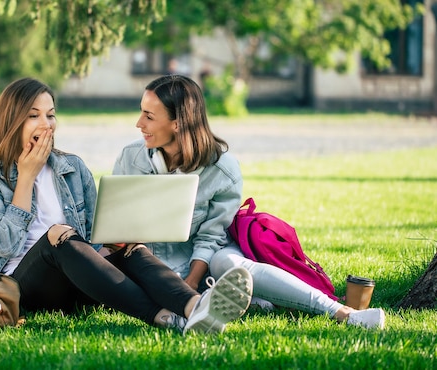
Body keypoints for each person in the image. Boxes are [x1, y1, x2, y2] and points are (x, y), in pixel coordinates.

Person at [0, 77, 254, 335]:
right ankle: (166, 318)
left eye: (50, 115)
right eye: (34, 115)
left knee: (130, 246)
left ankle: (194, 307)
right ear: (11, 121)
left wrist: (114, 243)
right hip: (17, 288)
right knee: (58, 236)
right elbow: (5, 245)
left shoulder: (71, 167)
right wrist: (25, 178)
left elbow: (91, 240)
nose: (46, 124)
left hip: (80, 284)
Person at [112, 74, 386, 329]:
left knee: (231, 264)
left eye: (148, 116)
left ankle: (344, 312)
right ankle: (246, 302)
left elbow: (211, 237)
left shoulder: (223, 170)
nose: (139, 123)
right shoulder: (131, 158)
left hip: (202, 262)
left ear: (178, 123)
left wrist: (191, 282)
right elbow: (118, 223)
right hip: (148, 263)